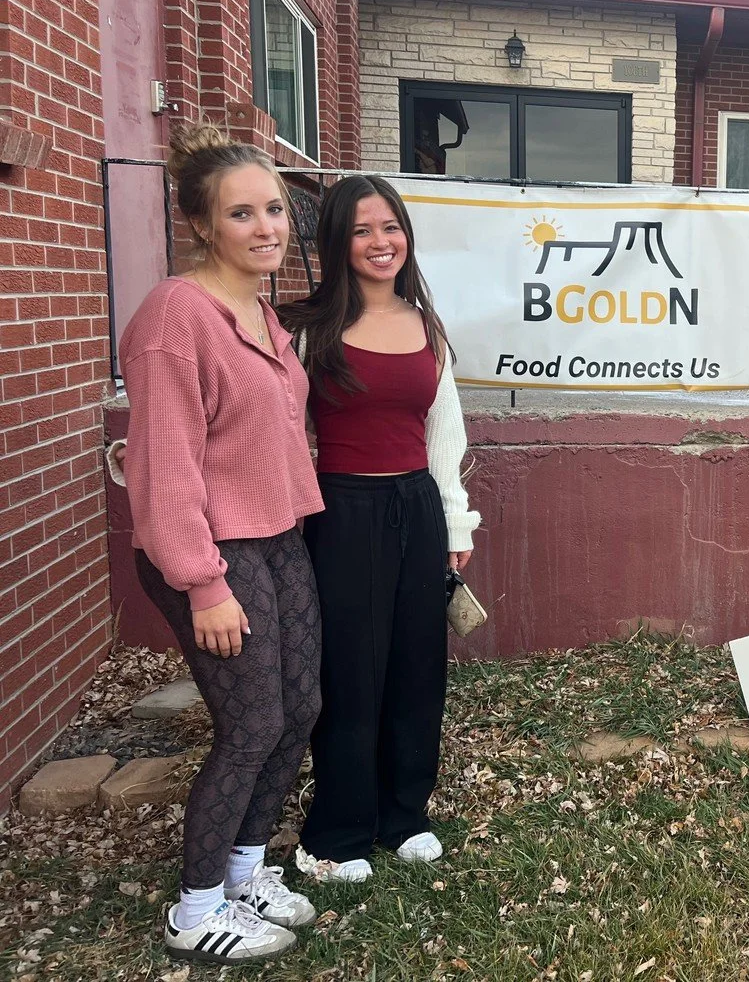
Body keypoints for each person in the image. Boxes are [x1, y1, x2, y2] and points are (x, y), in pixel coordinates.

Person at [120, 124, 322, 964]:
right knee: (249, 726)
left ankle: (243, 871)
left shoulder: (260, 310)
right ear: (201, 225)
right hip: (215, 550)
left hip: (279, 538)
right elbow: (162, 467)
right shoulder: (177, 315)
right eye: (243, 214)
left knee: (299, 711)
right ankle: (196, 909)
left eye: (275, 208)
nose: (268, 227)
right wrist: (204, 583)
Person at [277, 176, 480, 882]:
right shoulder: (305, 329)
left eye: (390, 226)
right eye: (362, 230)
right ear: (337, 241)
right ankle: (335, 835)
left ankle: (405, 815)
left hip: (416, 511)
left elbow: (443, 430)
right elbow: (274, 432)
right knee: (350, 675)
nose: (379, 242)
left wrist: (455, 519)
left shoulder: (428, 324)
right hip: (340, 514)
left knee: (418, 668)